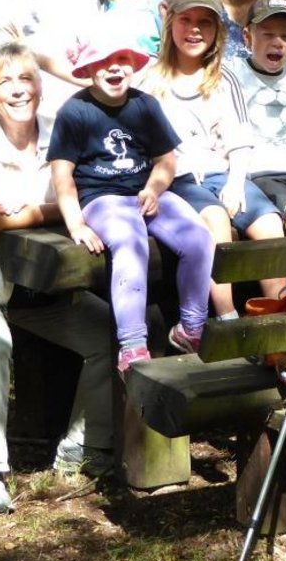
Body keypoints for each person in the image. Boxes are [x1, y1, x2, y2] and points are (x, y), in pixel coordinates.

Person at [0, 43, 117, 515]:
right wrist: (60, 209)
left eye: (27, 78)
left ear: (41, 84)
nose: (19, 90)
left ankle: (82, 447)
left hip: (41, 290)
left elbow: (99, 196)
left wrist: (33, 209)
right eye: (5, 81)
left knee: (114, 333)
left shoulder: (63, 134)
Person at [49, 38, 217, 365]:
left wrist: (154, 189)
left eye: (124, 58)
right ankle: (132, 344)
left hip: (145, 193)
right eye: (104, 59)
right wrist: (76, 224)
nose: (115, 66)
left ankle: (192, 327)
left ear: (135, 66)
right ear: (87, 69)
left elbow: (166, 160)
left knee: (198, 236)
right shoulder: (75, 111)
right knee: (130, 242)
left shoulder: (145, 105)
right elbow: (62, 176)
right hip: (102, 199)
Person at [138, 0, 286, 317]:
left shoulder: (223, 79)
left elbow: (239, 142)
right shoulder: (148, 80)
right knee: (217, 221)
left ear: (216, 29)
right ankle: (227, 317)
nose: (194, 30)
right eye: (185, 20)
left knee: (269, 225)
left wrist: (236, 183)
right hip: (177, 179)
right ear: (170, 21)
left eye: (204, 22)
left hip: (223, 174)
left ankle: (279, 318)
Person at [224, 0, 286, 237]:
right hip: (257, 173)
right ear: (247, 37)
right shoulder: (231, 73)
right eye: (267, 34)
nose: (278, 43)